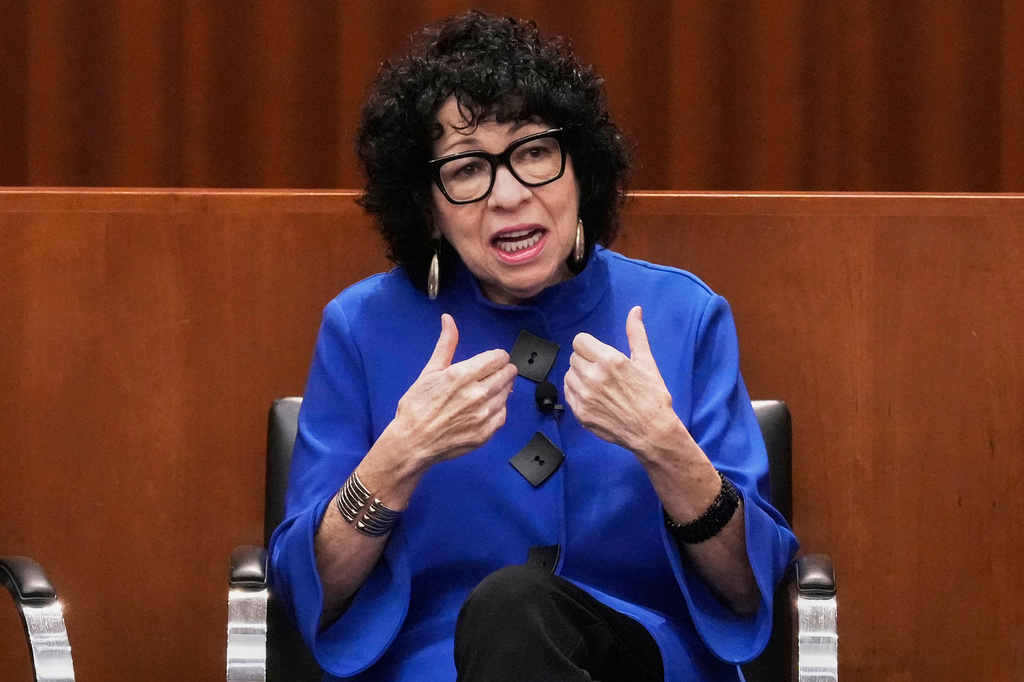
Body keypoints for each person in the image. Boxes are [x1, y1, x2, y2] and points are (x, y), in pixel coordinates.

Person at [270, 10, 798, 681]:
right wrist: (397, 459)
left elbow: (749, 590)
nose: (510, 195)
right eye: (466, 169)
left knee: (518, 605)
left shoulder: (682, 316)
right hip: (439, 668)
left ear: (580, 168)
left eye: (534, 153)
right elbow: (307, 591)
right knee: (509, 609)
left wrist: (667, 452)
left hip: (637, 661)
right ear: (428, 204)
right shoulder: (364, 329)